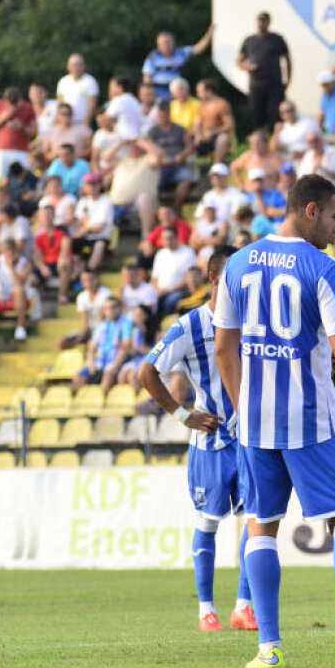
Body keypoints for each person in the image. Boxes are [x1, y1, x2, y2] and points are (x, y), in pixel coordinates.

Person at [213, 174, 335, 668]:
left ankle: (268, 646)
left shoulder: (237, 263)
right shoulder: (324, 267)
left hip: (256, 421)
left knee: (260, 527)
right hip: (313, 417)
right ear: (310, 210)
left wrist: (242, 406)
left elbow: (224, 347)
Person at [138, 245, 254, 632]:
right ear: (214, 278)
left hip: (251, 438)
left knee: (256, 521)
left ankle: (244, 606)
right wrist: (183, 414)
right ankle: (206, 609)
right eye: (233, 276)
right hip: (211, 442)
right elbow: (147, 372)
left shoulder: (255, 320)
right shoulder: (189, 326)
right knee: (208, 522)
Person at [237, 12, 292, 131]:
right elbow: (239, 61)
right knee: (258, 116)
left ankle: (279, 138)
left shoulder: (277, 39)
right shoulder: (249, 40)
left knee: (278, 114)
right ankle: (262, 139)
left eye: (264, 21)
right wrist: (248, 67)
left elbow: (288, 60)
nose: (262, 23)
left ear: (269, 22)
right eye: (260, 21)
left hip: (275, 83)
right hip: (257, 84)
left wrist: (288, 78)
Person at [75, 296, 131, 393]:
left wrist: (114, 367)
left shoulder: (127, 324)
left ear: (119, 308)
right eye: (107, 308)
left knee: (108, 376)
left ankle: (102, 400)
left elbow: (125, 348)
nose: (110, 311)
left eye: (113, 307)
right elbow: (91, 349)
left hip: (117, 363)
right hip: (100, 362)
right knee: (79, 377)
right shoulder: (102, 326)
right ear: (104, 311)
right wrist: (91, 364)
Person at [142, 25, 214, 100]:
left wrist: (210, 32)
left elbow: (198, 48)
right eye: (162, 43)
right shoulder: (153, 56)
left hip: (176, 96)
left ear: (173, 42)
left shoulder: (180, 53)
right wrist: (149, 95)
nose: (165, 45)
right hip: (158, 96)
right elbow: (147, 78)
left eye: (167, 42)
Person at [194, 79, 236, 163]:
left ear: (209, 91)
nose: (198, 94)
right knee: (186, 141)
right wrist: (198, 135)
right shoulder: (202, 105)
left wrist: (213, 132)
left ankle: (217, 164)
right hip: (204, 136)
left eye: (200, 91)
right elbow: (197, 123)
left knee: (223, 138)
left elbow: (230, 125)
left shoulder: (222, 104)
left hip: (218, 136)